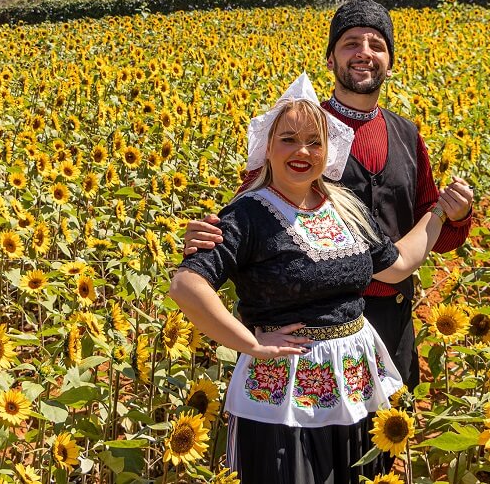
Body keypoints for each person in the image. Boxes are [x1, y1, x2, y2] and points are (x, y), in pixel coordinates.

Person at [184, 0, 474, 391]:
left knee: (379, 442)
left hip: (390, 317)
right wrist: (206, 239)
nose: (364, 54)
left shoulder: (406, 134)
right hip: (304, 327)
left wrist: (453, 214)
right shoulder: (300, 129)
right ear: (330, 59)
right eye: (351, 43)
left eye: (377, 45)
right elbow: (248, 211)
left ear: (390, 63)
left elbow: (431, 230)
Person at [170, 74, 450, 483]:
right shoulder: (247, 214)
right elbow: (186, 286)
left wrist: (440, 211)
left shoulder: (344, 207)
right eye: (288, 139)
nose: (302, 151)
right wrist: (250, 342)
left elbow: (399, 264)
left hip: (355, 384)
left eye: (314, 142)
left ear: (328, 150)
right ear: (267, 147)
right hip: (284, 393)